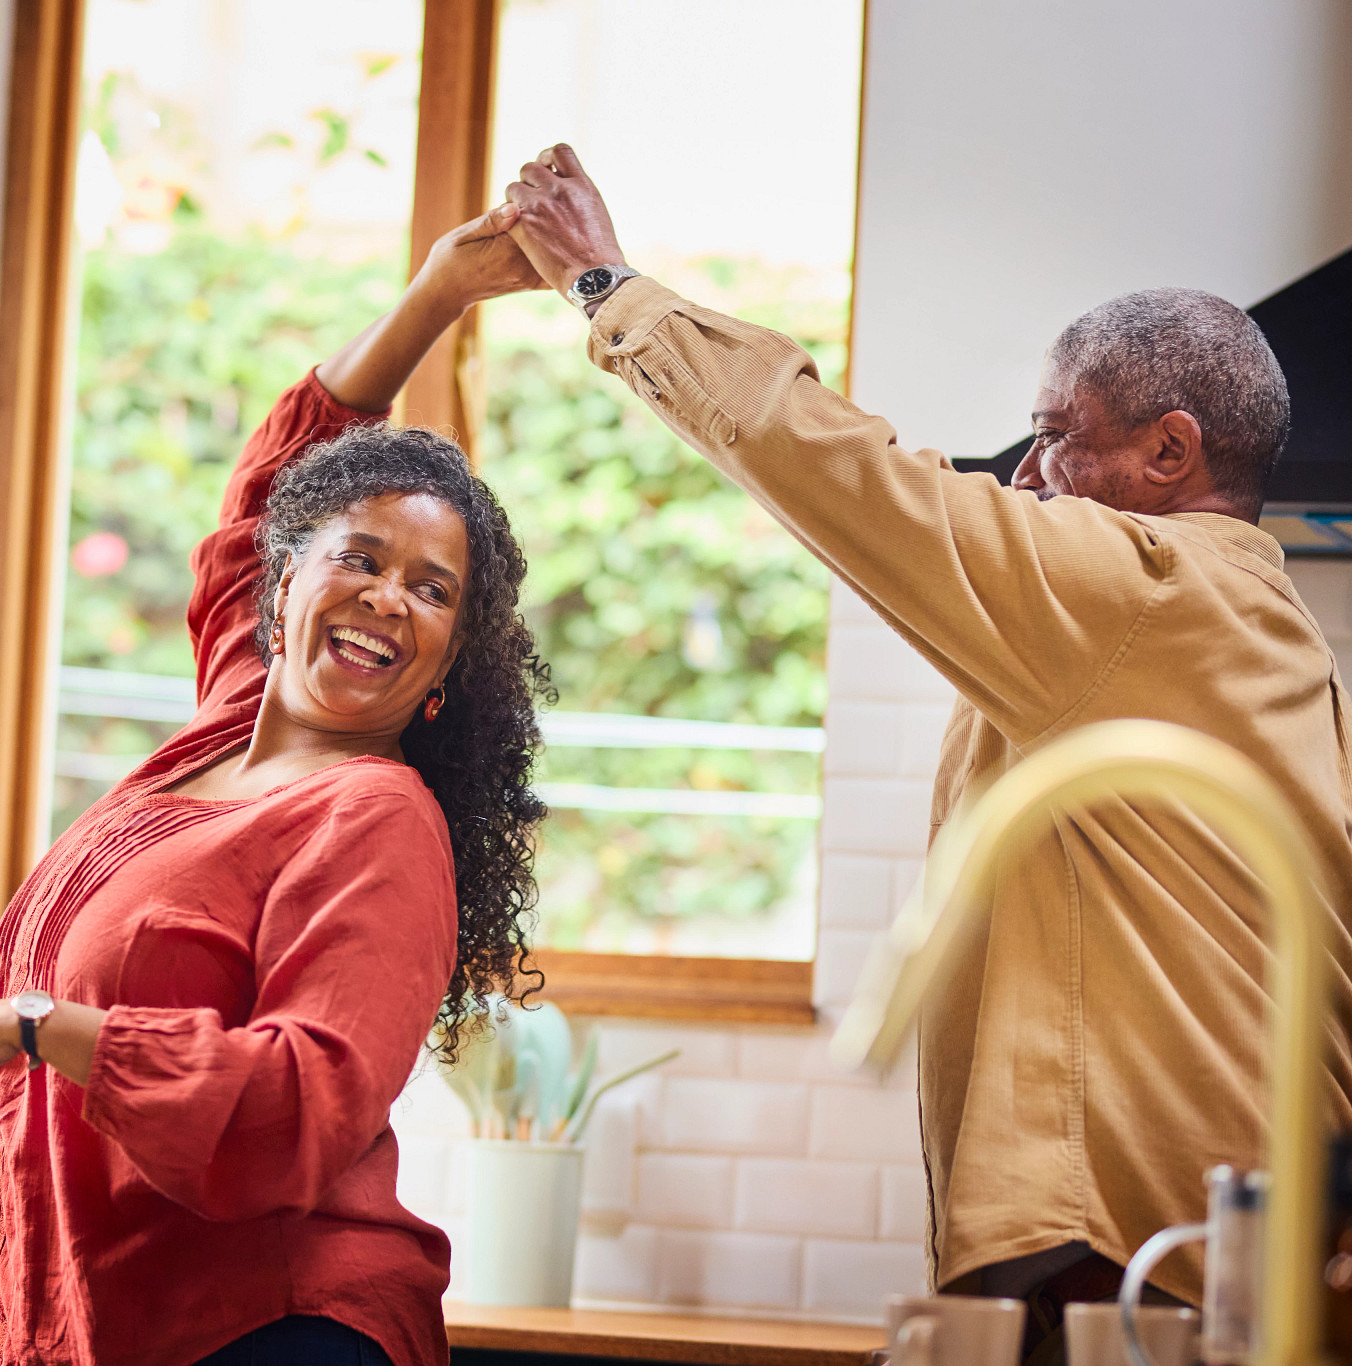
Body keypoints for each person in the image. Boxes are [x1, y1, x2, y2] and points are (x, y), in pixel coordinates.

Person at [501, 144, 1352, 1363]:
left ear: (1170, 454)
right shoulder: (1260, 635)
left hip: (1113, 1243)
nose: (1031, 475)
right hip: (1217, 1241)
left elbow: (839, 472)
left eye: (1058, 437)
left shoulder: (1145, 590)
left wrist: (606, 286)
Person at [0, 207, 552, 1366]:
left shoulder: (376, 819)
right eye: (359, 555)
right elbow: (275, 473)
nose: (388, 597)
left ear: (449, 664)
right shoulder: (223, 720)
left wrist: (43, 1026)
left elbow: (300, 1102)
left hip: (277, 1332)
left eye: (431, 589)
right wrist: (437, 294)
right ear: (285, 579)